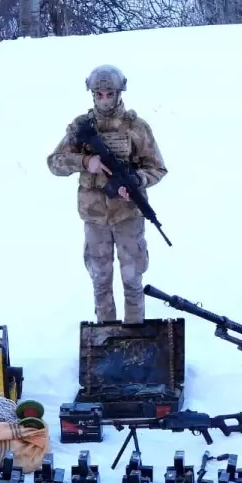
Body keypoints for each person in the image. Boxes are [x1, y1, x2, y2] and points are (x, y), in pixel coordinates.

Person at [47, 65, 167, 324]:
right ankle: (105, 337)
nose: (104, 99)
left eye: (109, 94)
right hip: (95, 218)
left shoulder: (136, 127)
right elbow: (54, 163)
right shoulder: (81, 127)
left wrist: (137, 180)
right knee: (100, 280)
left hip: (128, 215)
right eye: (99, 94)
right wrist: (84, 161)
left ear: (119, 93)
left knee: (133, 280)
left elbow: (157, 168)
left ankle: (135, 336)